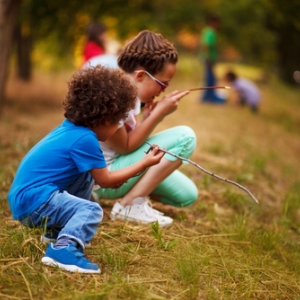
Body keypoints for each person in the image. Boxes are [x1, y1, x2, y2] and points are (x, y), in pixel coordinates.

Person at [7, 65, 165, 274]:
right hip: (34, 200)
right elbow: (107, 180)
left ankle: (57, 234)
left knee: (86, 178)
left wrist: (107, 178)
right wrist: (143, 163)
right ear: (106, 119)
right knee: (91, 209)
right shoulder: (85, 139)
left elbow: (100, 178)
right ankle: (63, 250)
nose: (119, 127)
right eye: (119, 121)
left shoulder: (72, 130)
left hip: (28, 198)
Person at [94, 30, 198, 227]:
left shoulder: (131, 93)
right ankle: (130, 204)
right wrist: (158, 115)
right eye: (163, 83)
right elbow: (125, 147)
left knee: (187, 195)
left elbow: (125, 139)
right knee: (186, 136)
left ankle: (136, 196)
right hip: (106, 177)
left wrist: (147, 118)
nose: (164, 90)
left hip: (120, 168)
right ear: (141, 75)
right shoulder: (114, 97)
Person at [199, 13, 225, 103]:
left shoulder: (206, 30)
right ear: (214, 22)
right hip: (208, 60)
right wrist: (208, 59)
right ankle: (209, 97)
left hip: (207, 59)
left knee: (210, 78)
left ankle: (208, 97)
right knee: (210, 79)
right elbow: (206, 45)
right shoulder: (210, 32)